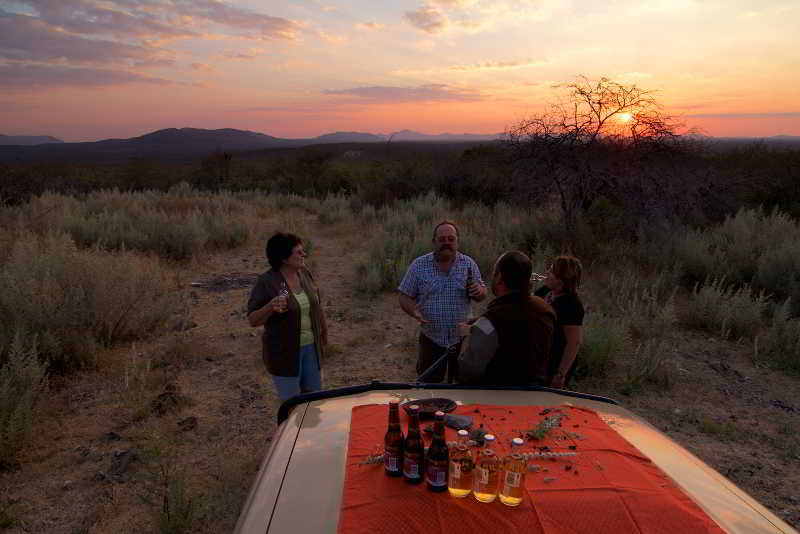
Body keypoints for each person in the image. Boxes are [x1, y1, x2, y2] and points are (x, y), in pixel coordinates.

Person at [398, 220, 488, 382]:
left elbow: (482, 293)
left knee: (463, 384)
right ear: (434, 242)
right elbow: (404, 295)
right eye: (442, 239)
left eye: (451, 239)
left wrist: (479, 291)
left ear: (457, 241)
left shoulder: (468, 264)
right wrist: (415, 311)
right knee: (428, 386)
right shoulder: (419, 265)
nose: (446, 243)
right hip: (431, 338)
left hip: (462, 339)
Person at [247, 232, 328, 402]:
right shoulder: (267, 282)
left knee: (314, 402)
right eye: (298, 252)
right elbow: (253, 320)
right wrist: (270, 307)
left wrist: (324, 331)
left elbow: (316, 303)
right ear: (284, 258)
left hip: (311, 349)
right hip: (285, 354)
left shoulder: (304, 273)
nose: (304, 255)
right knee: (292, 407)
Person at [456, 251, 556, 386]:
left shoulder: (490, 321)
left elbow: (468, 372)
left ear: (500, 279)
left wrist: (467, 338)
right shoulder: (545, 309)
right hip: (537, 396)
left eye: (494, 272)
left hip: (499, 399)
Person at [534, 255, 584, 389]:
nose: (546, 274)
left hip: (554, 363)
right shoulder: (545, 291)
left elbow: (574, 343)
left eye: (551, 272)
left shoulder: (572, 305)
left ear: (562, 279)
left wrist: (560, 374)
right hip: (538, 358)